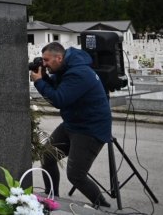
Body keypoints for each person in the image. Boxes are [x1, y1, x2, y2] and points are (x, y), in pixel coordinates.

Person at [30, 42, 112, 208]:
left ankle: (103, 207)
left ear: (59, 58)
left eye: (46, 60)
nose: (44, 63)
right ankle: (52, 199)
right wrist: (44, 76)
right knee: (48, 156)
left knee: (76, 175)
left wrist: (39, 82)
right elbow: (55, 87)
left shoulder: (79, 73)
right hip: (73, 123)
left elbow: (59, 99)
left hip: (90, 129)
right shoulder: (65, 68)